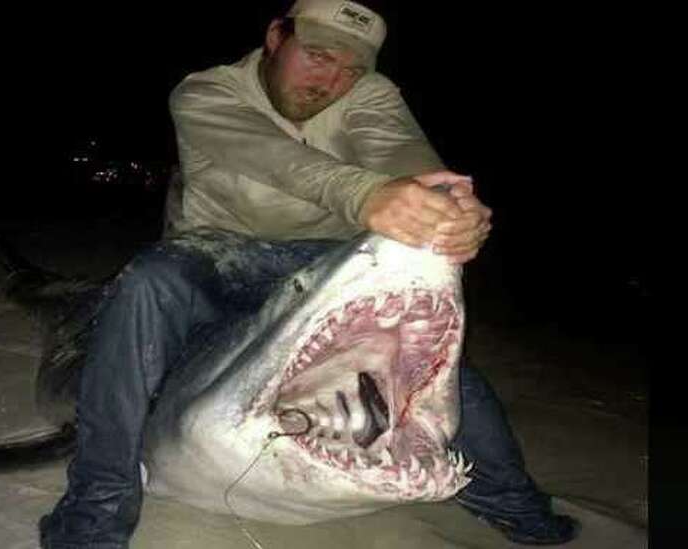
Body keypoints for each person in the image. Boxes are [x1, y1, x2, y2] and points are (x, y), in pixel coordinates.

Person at [39, 1, 580, 546]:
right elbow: (273, 157)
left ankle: (511, 500)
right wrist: (368, 195)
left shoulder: (370, 95)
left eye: (351, 69)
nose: (332, 81)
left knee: (422, 338)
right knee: (150, 279)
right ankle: (97, 504)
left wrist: (447, 206)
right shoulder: (206, 92)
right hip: (215, 262)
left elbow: (400, 151)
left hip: (324, 264)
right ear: (276, 36)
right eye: (318, 56)